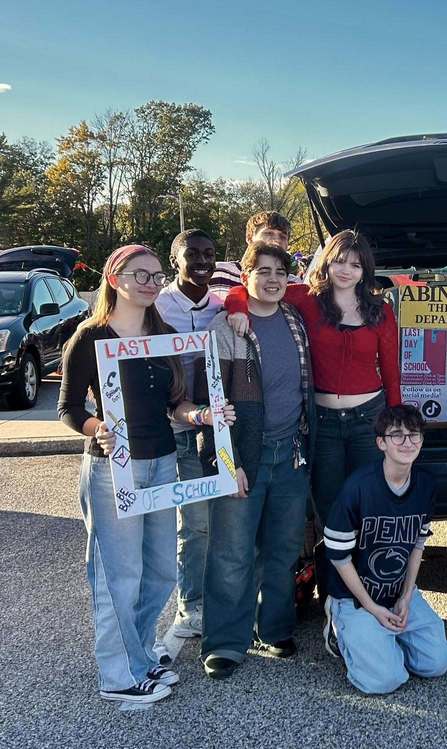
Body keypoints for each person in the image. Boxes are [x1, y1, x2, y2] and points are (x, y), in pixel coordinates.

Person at [58, 244, 235, 704]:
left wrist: (205, 416)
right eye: (140, 274)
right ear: (114, 278)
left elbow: (176, 405)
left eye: (156, 276)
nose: (151, 283)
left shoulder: (165, 334)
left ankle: (138, 656)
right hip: (112, 468)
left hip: (161, 461)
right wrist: (98, 429)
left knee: (158, 570)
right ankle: (118, 676)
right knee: (118, 574)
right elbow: (68, 408)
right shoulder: (90, 337)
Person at [224, 229, 400, 524]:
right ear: (327, 262)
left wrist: (395, 423)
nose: (346, 270)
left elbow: (392, 373)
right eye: (339, 261)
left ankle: (367, 555)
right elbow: (245, 289)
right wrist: (237, 309)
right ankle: (334, 555)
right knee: (329, 505)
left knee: (370, 501)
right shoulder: (305, 298)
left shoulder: (380, 310)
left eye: (355, 265)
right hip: (323, 422)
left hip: (369, 420)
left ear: (365, 271)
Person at [201, 241, 316, 679]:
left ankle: (274, 628)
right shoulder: (224, 328)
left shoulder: (294, 320)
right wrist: (227, 462)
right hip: (244, 456)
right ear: (245, 275)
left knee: (283, 548)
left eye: (280, 272)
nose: (272, 279)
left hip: (291, 453)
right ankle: (225, 643)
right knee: (232, 552)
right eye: (262, 271)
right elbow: (210, 404)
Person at [322, 405, 447, 694]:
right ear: (381, 442)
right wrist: (372, 608)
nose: (407, 442)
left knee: (436, 663)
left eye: (414, 435)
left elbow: (417, 545)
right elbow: (339, 559)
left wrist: (406, 596)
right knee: (385, 680)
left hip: (395, 592)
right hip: (356, 598)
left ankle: (382, 641)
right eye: (397, 435)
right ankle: (341, 629)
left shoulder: (426, 485)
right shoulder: (357, 488)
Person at [155, 228, 220, 640]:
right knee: (193, 523)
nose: (202, 261)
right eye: (192, 254)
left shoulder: (222, 306)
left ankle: (216, 596)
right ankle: (191, 603)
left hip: (216, 430)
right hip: (174, 430)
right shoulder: (156, 307)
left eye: (209, 254)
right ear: (175, 260)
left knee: (218, 519)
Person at [209, 210, 293, 296]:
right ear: (249, 238)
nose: (277, 240)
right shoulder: (220, 273)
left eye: (283, 236)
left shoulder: (293, 284)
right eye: (269, 233)